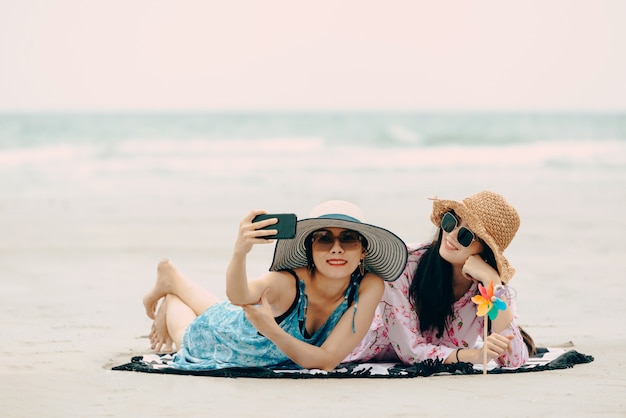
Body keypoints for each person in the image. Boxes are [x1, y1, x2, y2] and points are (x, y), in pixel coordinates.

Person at [142, 200, 407, 372]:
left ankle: (173, 281)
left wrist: (271, 329)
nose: (336, 249)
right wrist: (240, 252)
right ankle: (172, 298)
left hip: (253, 321)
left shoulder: (369, 285)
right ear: (310, 249)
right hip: (221, 338)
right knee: (189, 331)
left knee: (225, 309)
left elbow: (327, 360)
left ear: (362, 251)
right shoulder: (287, 281)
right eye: (324, 239)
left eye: (348, 239)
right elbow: (238, 296)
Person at [344, 191, 536, 368]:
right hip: (356, 351)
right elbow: (411, 352)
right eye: (451, 222)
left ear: (485, 250)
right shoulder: (402, 265)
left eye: (465, 235)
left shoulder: (489, 286)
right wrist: (474, 356)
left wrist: (492, 280)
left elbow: (514, 360)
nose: (451, 235)